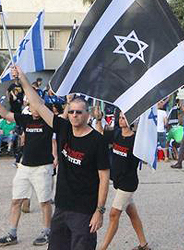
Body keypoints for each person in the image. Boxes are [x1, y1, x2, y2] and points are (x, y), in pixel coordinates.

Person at [11, 65, 110, 250]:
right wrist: (23, 78)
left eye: (79, 112)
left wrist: (100, 211)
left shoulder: (97, 141)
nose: (74, 115)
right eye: (71, 111)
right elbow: (39, 105)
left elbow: (104, 177)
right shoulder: (63, 128)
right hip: (62, 207)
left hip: (85, 211)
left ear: (87, 115)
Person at [0, 86, 58, 247]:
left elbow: (59, 131)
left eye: (35, 106)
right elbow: (5, 114)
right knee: (16, 201)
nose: (33, 109)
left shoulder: (49, 121)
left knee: (44, 202)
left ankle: (46, 231)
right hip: (25, 166)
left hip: (43, 167)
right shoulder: (26, 119)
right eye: (31, 106)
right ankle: (12, 233)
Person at [96, 111, 150, 250]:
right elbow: (99, 133)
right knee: (132, 213)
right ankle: (144, 245)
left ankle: (102, 248)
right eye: (119, 118)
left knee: (113, 214)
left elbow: (146, 154)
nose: (121, 120)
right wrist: (98, 118)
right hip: (118, 182)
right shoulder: (116, 134)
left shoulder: (136, 141)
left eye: (124, 118)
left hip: (128, 183)